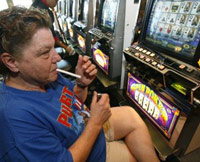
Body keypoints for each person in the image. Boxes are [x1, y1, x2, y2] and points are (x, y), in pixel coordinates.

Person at [0, 6, 159, 162]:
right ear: (12, 62)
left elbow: (73, 101)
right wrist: (95, 123)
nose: (57, 58)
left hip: (84, 126)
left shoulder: (43, 77)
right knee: (133, 157)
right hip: (87, 147)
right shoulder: (15, 121)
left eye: (53, 48)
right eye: (44, 53)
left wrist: (82, 84)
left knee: (131, 115)